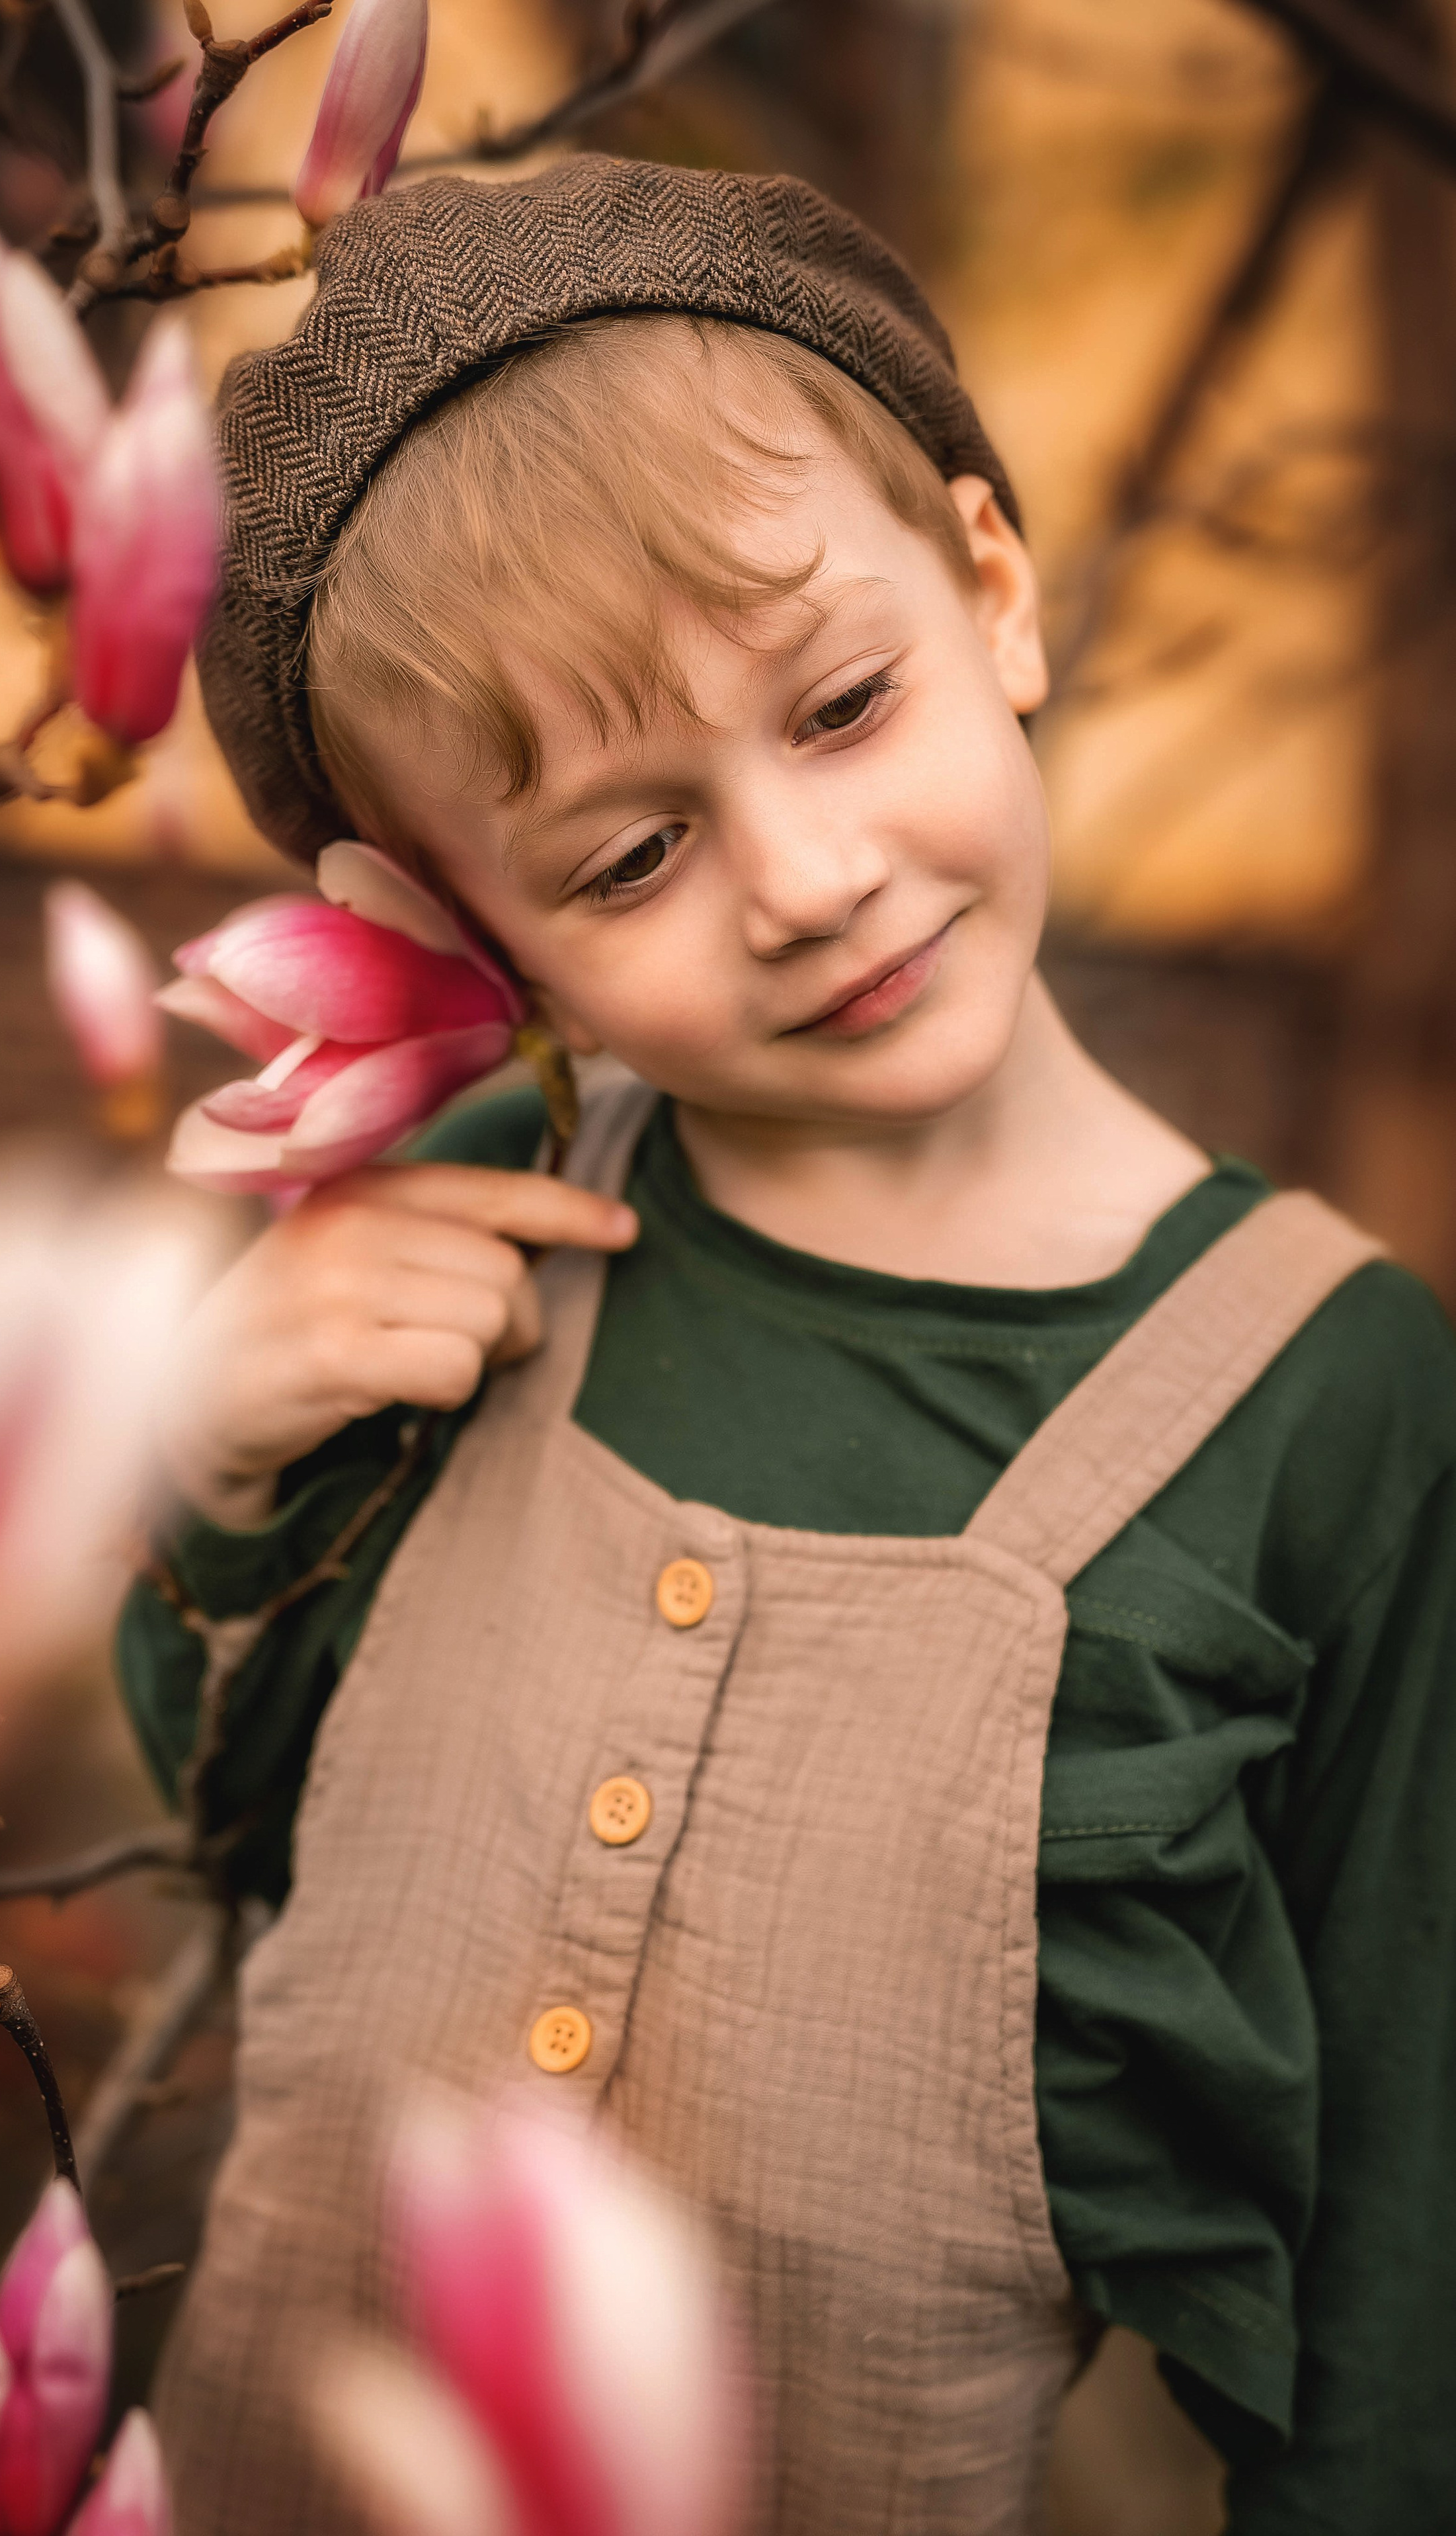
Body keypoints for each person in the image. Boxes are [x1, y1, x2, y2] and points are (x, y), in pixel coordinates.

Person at [120, 155, 1456, 2533]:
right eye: (630, 857)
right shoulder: (476, 1259)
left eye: (844, 705)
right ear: (478, 944)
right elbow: (247, 1835)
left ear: (996, 591)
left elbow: (1389, 2304)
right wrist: (218, 1471)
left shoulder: (1331, 1408)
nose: (808, 875)